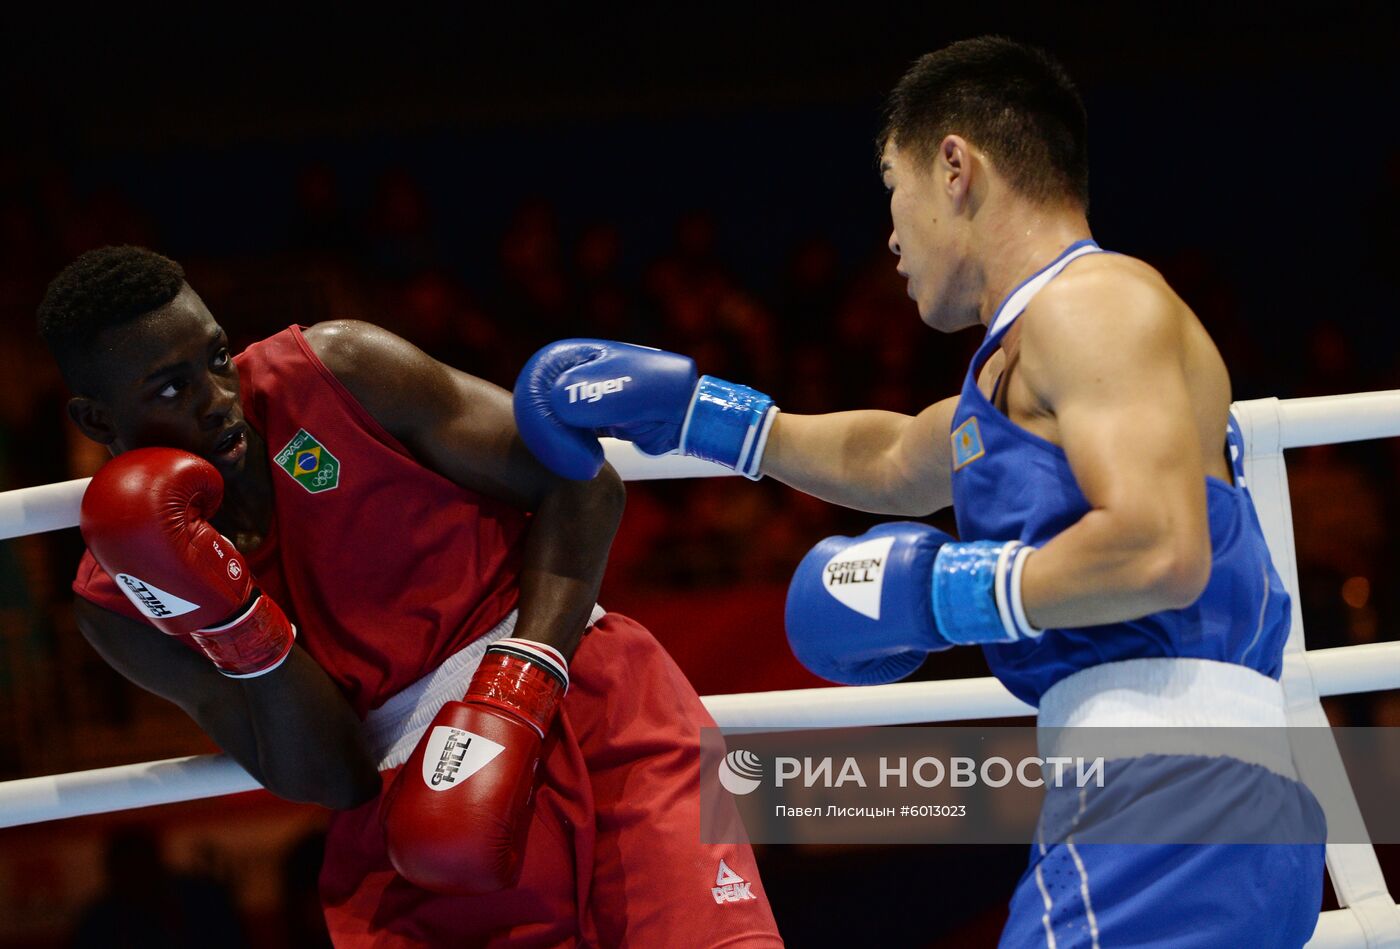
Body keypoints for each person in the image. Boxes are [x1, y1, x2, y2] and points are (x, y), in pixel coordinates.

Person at [513, 37, 1325, 947]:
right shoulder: (1023, 359)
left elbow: (1162, 551)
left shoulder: (1092, 304)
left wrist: (951, 593)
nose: (892, 237)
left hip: (1169, 799)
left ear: (954, 168)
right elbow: (897, 455)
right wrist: (703, 414)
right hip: (1186, 799)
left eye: (893, 192)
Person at [38, 246, 782, 947]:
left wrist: (520, 680)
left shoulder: (336, 371)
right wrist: (236, 619)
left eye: (216, 357)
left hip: (581, 696)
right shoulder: (121, 605)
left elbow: (583, 481)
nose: (217, 399)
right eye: (172, 387)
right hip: (413, 810)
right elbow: (333, 776)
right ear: (97, 420)